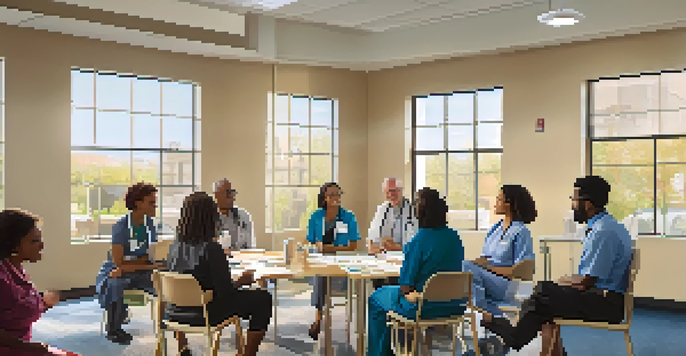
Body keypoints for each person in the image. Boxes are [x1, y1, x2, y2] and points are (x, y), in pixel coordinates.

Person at [480, 176, 633, 356]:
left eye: (574, 200)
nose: (572, 205)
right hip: (603, 298)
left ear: (588, 204)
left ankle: (513, 336)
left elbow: (586, 282)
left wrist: (562, 283)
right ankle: (542, 347)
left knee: (544, 293)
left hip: (605, 304)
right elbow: (589, 279)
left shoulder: (603, 232)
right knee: (544, 299)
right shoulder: (606, 226)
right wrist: (562, 283)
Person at [166, 192, 272, 356]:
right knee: (263, 298)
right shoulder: (211, 248)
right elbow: (226, 291)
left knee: (251, 297)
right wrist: (242, 281)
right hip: (205, 314)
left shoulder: (175, 246)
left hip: (174, 312)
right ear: (209, 218)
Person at [366, 188, 467, 356]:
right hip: (454, 306)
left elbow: (406, 286)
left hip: (422, 307)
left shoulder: (419, 241)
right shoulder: (455, 238)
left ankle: (379, 353)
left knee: (376, 298)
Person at [0, 209, 81, 356]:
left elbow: (15, 310)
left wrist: (45, 304)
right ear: (14, 245)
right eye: (34, 241)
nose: (42, 245)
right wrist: (31, 348)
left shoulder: (17, 270)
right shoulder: (2, 279)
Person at [95, 182, 164, 345]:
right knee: (115, 283)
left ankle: (167, 321)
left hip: (140, 269)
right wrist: (141, 264)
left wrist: (143, 264)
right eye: (151, 202)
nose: (155, 206)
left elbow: (149, 256)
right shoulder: (121, 227)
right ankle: (113, 329)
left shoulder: (150, 225)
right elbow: (118, 263)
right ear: (138, 203)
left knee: (163, 281)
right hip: (117, 270)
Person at [463, 184, 537, 317]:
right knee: (464, 267)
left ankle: (485, 314)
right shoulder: (495, 229)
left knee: (469, 272)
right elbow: (484, 259)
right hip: (491, 281)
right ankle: (489, 313)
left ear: (509, 204)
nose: (495, 203)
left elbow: (521, 271)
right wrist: (470, 264)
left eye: (498, 199)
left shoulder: (521, 231)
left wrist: (487, 268)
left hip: (509, 286)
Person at [306, 182, 361, 340]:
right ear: (324, 198)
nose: (336, 197)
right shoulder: (316, 216)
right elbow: (310, 240)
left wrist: (331, 249)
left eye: (338, 194)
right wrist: (319, 245)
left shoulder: (348, 216)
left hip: (342, 261)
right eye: (331, 195)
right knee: (321, 274)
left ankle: (322, 318)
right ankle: (318, 318)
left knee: (323, 275)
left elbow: (353, 246)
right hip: (321, 260)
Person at [367, 178, 419, 289]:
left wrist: (399, 248)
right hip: (383, 259)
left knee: (395, 283)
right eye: (388, 192)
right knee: (377, 282)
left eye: (394, 191)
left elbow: (415, 241)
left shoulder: (413, 210)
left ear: (401, 191)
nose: (391, 194)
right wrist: (372, 246)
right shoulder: (381, 209)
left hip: (403, 260)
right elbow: (372, 234)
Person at [213, 179, 255, 251]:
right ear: (216, 195)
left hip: (240, 259)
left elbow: (250, 246)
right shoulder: (208, 217)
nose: (232, 198)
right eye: (228, 194)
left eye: (233, 193)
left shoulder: (243, 216)